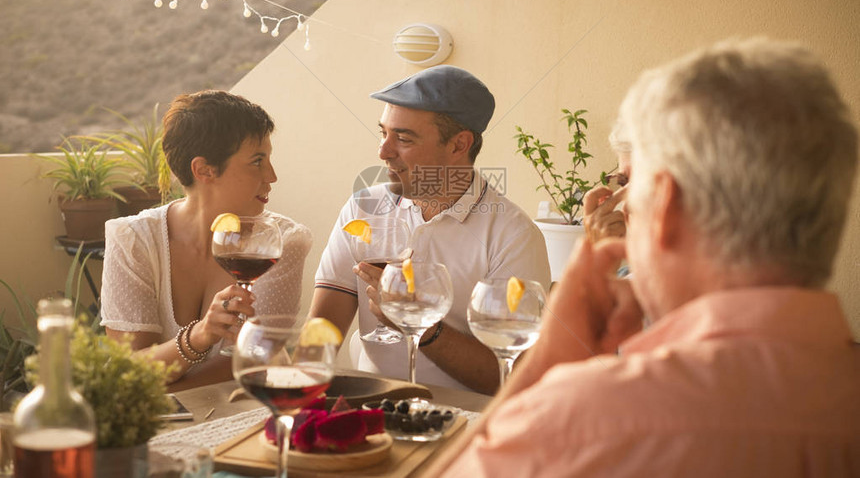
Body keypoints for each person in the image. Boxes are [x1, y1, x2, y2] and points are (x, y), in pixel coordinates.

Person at [425, 38, 860, 477]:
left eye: (629, 181)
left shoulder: (588, 421)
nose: (620, 201)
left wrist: (546, 363)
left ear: (665, 204)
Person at [310, 65, 551, 394]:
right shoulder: (362, 208)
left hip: (466, 420)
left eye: (403, 138)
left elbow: (512, 378)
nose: (383, 152)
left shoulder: (513, 236)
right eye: (383, 133)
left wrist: (422, 329)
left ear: (458, 145)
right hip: (374, 407)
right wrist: (296, 397)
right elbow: (322, 330)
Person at [100, 90, 312, 390]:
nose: (272, 175)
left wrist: (159, 391)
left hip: (247, 413)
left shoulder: (282, 241)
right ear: (203, 170)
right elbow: (129, 365)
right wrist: (199, 336)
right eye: (257, 161)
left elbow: (253, 359)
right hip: (160, 425)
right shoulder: (133, 240)